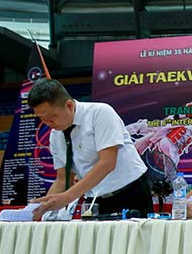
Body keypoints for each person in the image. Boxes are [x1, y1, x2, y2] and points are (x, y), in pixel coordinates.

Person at [28, 79, 151, 218]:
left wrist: (67, 196)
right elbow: (63, 180)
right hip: (94, 200)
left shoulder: (100, 113)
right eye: (42, 118)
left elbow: (107, 163)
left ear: (69, 105)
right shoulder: (55, 136)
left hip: (130, 194)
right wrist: (40, 209)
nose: (48, 123)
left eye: (51, 117)